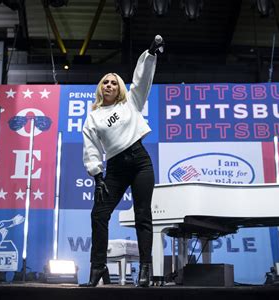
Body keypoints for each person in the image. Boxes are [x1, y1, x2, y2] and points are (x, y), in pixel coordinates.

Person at [80, 36, 164, 287]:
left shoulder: (131, 103)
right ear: (100, 88)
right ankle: (98, 267)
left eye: (113, 82)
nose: (109, 84)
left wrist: (149, 55)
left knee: (143, 216)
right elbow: (91, 147)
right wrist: (97, 176)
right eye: (105, 82)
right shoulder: (93, 117)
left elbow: (141, 80)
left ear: (119, 89)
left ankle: (145, 269)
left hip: (140, 162)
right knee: (99, 214)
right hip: (115, 168)